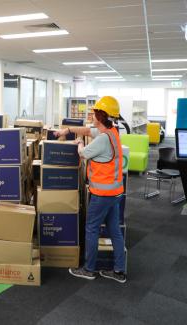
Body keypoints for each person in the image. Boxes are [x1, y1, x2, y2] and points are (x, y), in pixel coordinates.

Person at [54, 96, 127, 283]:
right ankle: (119, 271)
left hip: (102, 194)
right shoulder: (112, 132)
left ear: (101, 116)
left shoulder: (103, 139)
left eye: (94, 112)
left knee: (92, 228)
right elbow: (87, 130)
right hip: (115, 193)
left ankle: (89, 269)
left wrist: (79, 142)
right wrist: (68, 130)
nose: (91, 114)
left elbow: (83, 153)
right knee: (114, 231)